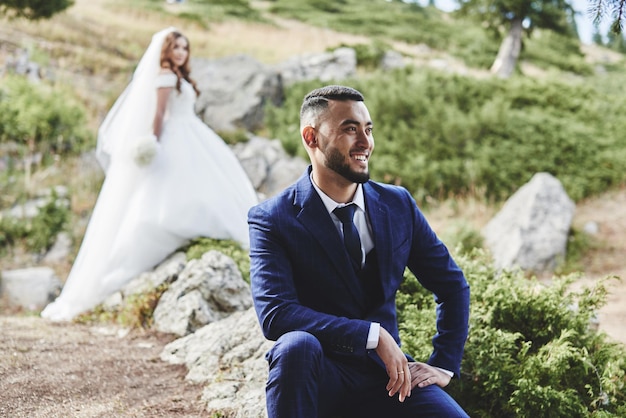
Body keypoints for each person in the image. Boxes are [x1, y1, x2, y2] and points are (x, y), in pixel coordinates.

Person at [248, 85, 470, 417]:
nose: (365, 142)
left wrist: (444, 365)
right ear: (311, 137)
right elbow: (276, 313)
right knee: (295, 346)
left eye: (368, 130)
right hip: (320, 377)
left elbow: (452, 286)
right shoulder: (272, 219)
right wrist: (370, 335)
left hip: (391, 381)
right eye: (350, 129)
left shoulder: (398, 204)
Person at [41, 28, 257, 321]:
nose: (181, 52)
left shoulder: (178, 76)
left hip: (193, 135)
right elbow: (158, 115)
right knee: (176, 191)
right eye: (176, 47)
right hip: (176, 136)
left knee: (208, 184)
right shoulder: (166, 77)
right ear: (165, 50)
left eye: (185, 47)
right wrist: (152, 143)